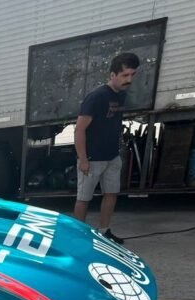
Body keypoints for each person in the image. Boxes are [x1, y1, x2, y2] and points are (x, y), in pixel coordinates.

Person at [74, 52, 140, 244]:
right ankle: (78, 235)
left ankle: (104, 231)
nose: (129, 80)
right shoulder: (97, 97)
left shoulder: (121, 95)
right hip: (93, 158)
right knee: (84, 198)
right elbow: (79, 130)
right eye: (124, 75)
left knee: (111, 193)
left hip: (112, 156)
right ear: (113, 75)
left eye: (132, 75)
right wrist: (83, 159)